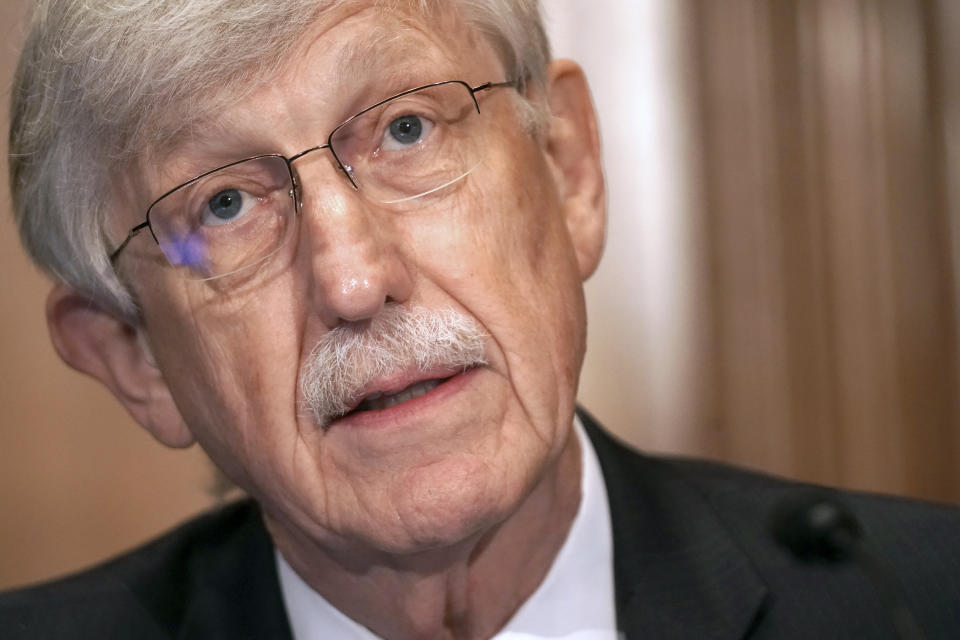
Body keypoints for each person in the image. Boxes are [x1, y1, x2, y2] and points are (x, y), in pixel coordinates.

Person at [1, 1, 959, 638]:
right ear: (137, 361)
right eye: (223, 206)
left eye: (406, 129)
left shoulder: (912, 601)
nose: (353, 280)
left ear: (569, 169)